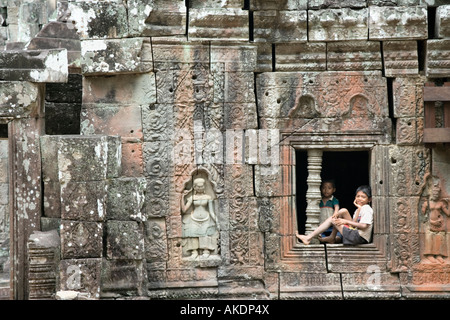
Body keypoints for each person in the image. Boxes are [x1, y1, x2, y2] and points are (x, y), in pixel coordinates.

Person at [296, 185, 373, 246]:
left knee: (332, 220)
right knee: (343, 211)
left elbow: (363, 226)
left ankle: (309, 237)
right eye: (358, 196)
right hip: (356, 235)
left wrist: (345, 221)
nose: (359, 199)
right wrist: (359, 209)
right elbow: (353, 226)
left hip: (358, 237)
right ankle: (332, 237)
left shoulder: (366, 208)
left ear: (369, 199)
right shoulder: (359, 209)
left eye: (363, 197)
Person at [180, 177, 218, 259]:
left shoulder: (208, 197)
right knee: (192, 234)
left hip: (206, 218)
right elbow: (184, 210)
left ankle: (206, 250)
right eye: (198, 186)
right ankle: (194, 252)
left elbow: (211, 211)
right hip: (194, 218)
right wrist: (182, 197)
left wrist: (216, 221)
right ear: (194, 187)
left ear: (204, 186)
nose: (200, 188)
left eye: (202, 186)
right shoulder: (192, 198)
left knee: (206, 234)